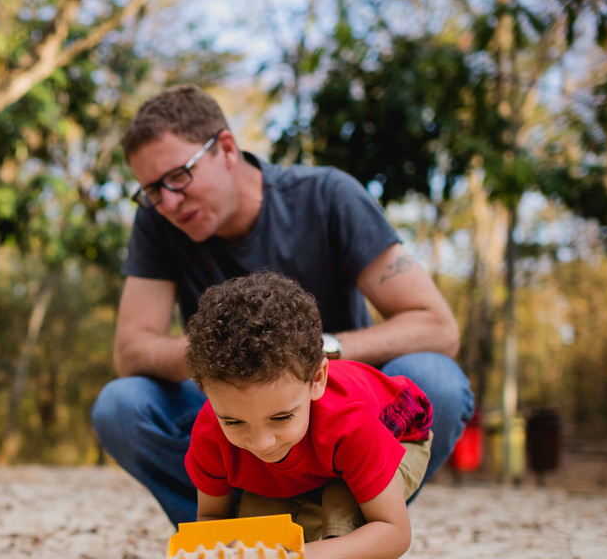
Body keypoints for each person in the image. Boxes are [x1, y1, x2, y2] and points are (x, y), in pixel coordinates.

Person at [91, 84, 473, 528]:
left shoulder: (327, 195)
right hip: (233, 418)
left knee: (437, 382)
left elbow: (438, 327)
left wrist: (307, 352)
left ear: (226, 149)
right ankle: (231, 535)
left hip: (338, 410)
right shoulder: (158, 222)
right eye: (152, 191)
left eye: (179, 176)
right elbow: (132, 350)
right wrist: (229, 357)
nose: (168, 202)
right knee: (121, 406)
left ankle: (358, 529)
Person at [186, 270, 430, 559]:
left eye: (281, 417)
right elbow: (214, 522)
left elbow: (393, 532)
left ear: (317, 379)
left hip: (397, 433)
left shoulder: (350, 421)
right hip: (305, 465)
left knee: (347, 513)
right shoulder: (210, 434)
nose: (262, 442)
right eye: (234, 421)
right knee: (255, 532)